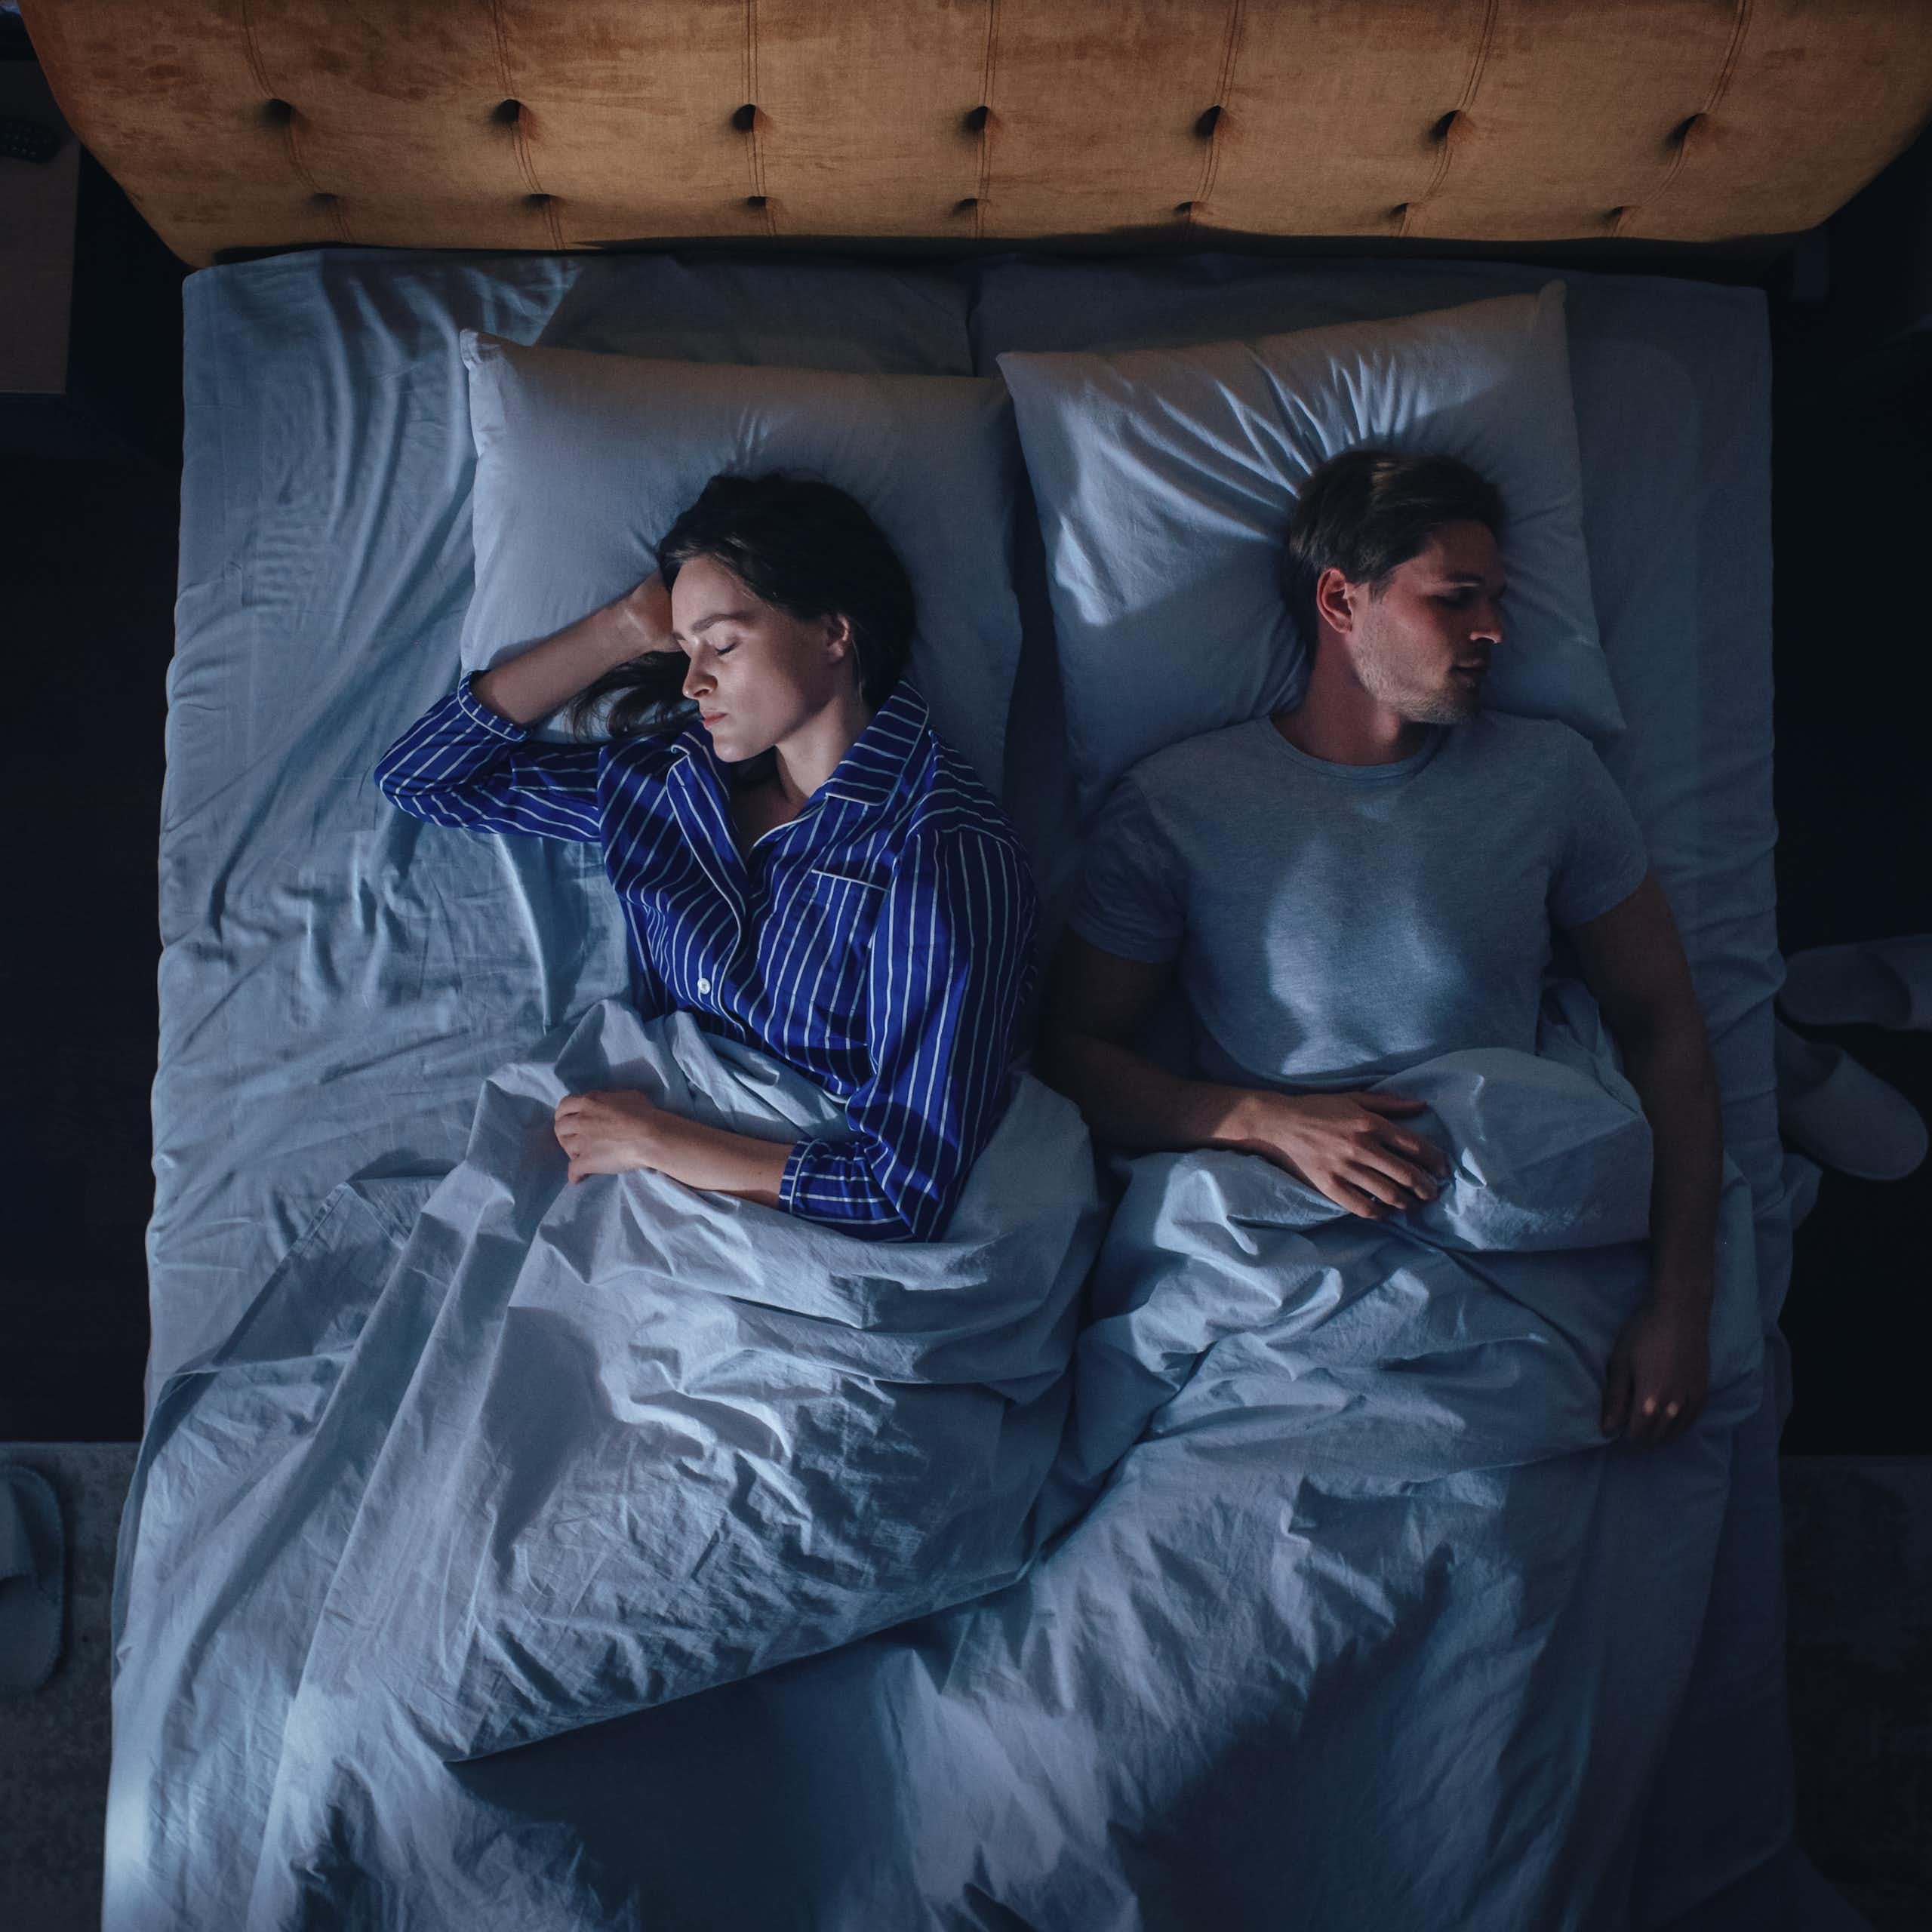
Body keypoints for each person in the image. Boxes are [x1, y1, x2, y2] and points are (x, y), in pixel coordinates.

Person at [1040, 448, 1718, 1448]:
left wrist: (1679, 1305)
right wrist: (1266, 1121)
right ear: (1341, 600)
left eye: (1496, 599)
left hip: (1504, 1250)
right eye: (1456, 599)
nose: (1493, 629)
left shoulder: (1550, 778)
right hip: (1278, 1264)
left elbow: (1663, 1024)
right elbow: (1067, 1053)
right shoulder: (1181, 804)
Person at [377, 472, 1036, 1242]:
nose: (693, 683)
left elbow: (902, 1191)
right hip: (654, 1197)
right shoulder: (666, 790)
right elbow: (424, 779)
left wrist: (656, 1141)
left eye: (721, 643)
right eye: (684, 650)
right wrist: (624, 627)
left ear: (833, 632)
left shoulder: (941, 851)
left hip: (810, 1228)